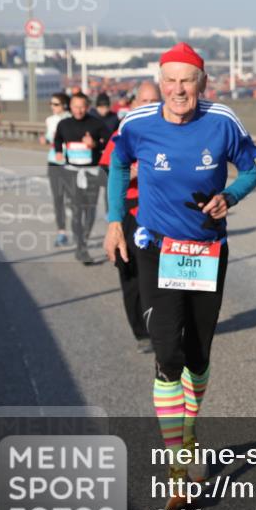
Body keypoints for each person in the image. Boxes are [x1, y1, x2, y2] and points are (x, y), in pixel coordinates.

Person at [103, 43, 256, 510]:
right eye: (170, 80)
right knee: (168, 354)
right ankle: (178, 469)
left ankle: (189, 436)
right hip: (155, 249)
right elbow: (115, 163)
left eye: (186, 81)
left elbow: (251, 170)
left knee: (197, 356)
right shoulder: (137, 123)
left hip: (207, 251)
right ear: (161, 80)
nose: (177, 90)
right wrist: (115, 220)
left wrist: (229, 197)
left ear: (202, 84)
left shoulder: (223, 121)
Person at [99, 81, 161, 354]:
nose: (149, 106)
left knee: (162, 274)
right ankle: (142, 332)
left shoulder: (169, 133)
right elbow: (107, 170)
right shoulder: (123, 132)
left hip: (160, 212)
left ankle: (165, 326)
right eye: (144, 101)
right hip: (129, 210)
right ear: (134, 104)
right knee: (131, 273)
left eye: (154, 101)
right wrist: (131, 174)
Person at [54, 92, 111, 264]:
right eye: (75, 106)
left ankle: (83, 239)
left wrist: (95, 144)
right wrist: (58, 151)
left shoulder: (96, 124)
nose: (78, 110)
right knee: (77, 211)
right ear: (70, 107)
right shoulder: (64, 124)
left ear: (87, 107)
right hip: (71, 173)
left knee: (90, 211)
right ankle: (81, 247)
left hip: (91, 173)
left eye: (82, 107)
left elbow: (109, 142)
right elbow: (58, 139)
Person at [41, 92, 71, 247]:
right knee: (58, 198)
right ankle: (61, 232)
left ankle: (79, 229)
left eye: (56, 104)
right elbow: (48, 138)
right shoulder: (49, 120)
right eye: (51, 104)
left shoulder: (71, 120)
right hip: (54, 162)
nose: (53, 107)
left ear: (65, 105)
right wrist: (45, 139)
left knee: (74, 199)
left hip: (71, 163)